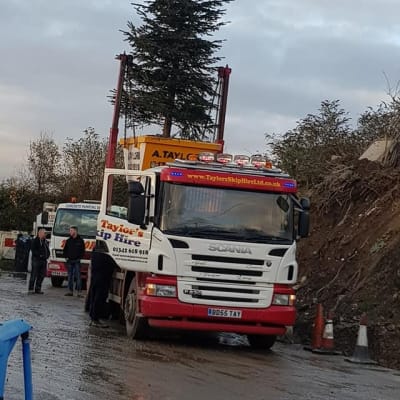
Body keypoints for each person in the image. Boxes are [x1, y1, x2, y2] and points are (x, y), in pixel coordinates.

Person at [88, 244, 116, 327]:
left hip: (96, 276)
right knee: (100, 296)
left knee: (94, 294)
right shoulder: (105, 252)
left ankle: (93, 317)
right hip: (102, 276)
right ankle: (95, 319)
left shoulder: (96, 250)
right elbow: (111, 262)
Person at [63, 226, 85, 297]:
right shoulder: (69, 240)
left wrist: (79, 257)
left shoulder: (80, 240)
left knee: (78, 276)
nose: (70, 232)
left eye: (71, 231)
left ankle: (79, 292)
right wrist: (66, 257)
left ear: (75, 231)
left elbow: (83, 251)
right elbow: (65, 250)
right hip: (69, 261)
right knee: (70, 276)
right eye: (70, 231)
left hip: (77, 261)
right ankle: (70, 291)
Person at [29, 228, 50, 294]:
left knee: (42, 275)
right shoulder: (35, 241)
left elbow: (47, 249)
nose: (45, 235)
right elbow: (34, 250)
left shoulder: (45, 241)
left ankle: (38, 288)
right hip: (36, 260)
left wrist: (47, 256)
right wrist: (40, 255)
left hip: (43, 261)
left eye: (46, 233)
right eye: (44, 233)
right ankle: (31, 289)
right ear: (40, 233)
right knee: (34, 275)